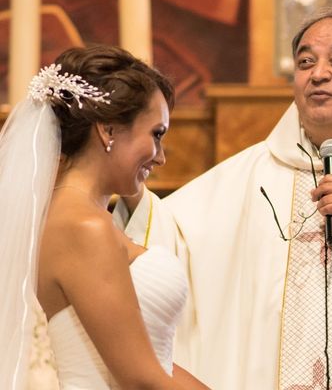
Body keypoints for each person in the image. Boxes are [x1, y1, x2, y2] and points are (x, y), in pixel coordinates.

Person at [116, 7, 332, 390]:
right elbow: (170, 238)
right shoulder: (251, 172)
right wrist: (121, 184)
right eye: (305, 62)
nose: (318, 73)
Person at [0, 45, 208, 389]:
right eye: (156, 135)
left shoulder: (75, 216)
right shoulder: (84, 227)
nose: (161, 158)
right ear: (108, 131)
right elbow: (142, 379)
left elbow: (153, 364)